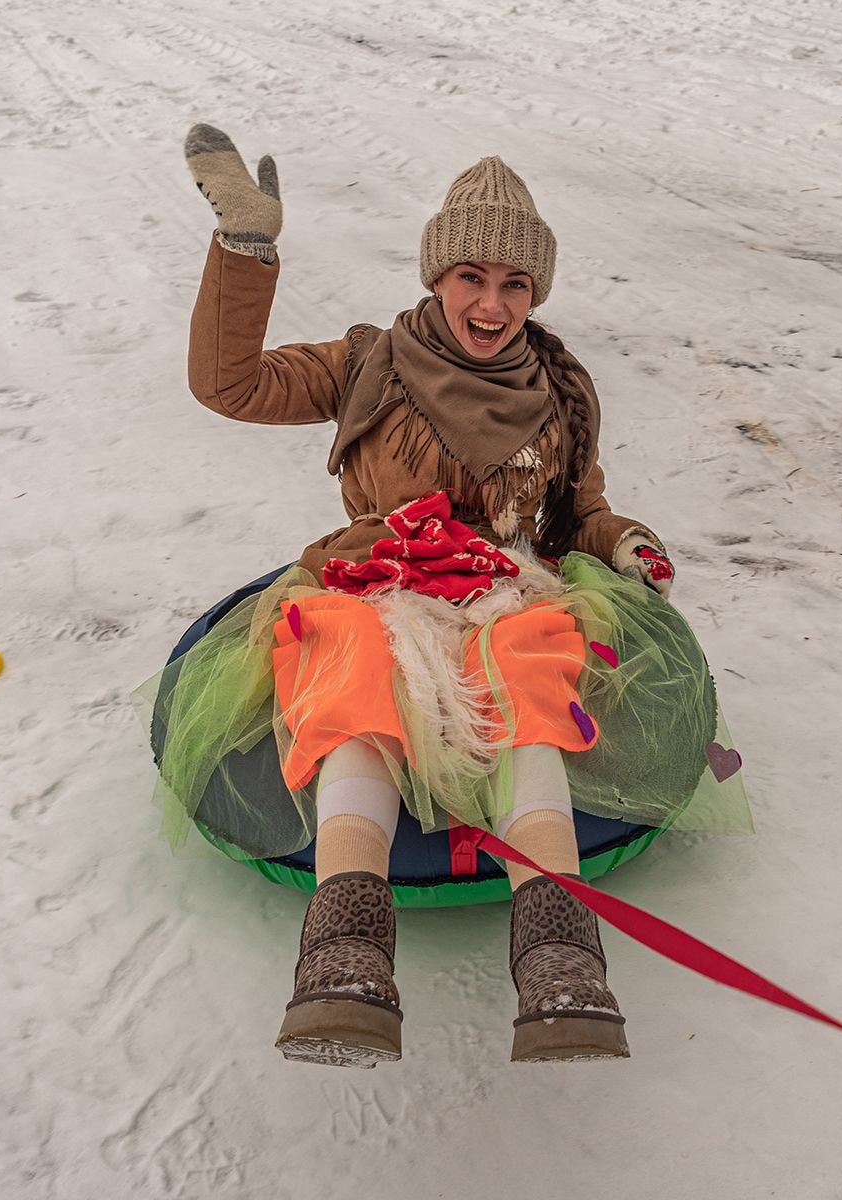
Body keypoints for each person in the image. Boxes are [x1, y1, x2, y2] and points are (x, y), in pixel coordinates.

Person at [145, 126, 751, 1069]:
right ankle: (345, 953)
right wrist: (245, 250)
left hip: (502, 585)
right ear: (438, 276)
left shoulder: (558, 391)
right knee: (354, 663)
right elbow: (229, 385)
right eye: (471, 276)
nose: (491, 304)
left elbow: (578, 511)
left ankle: (560, 960)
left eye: (515, 283)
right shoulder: (369, 363)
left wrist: (624, 540)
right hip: (376, 579)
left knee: (526, 672)